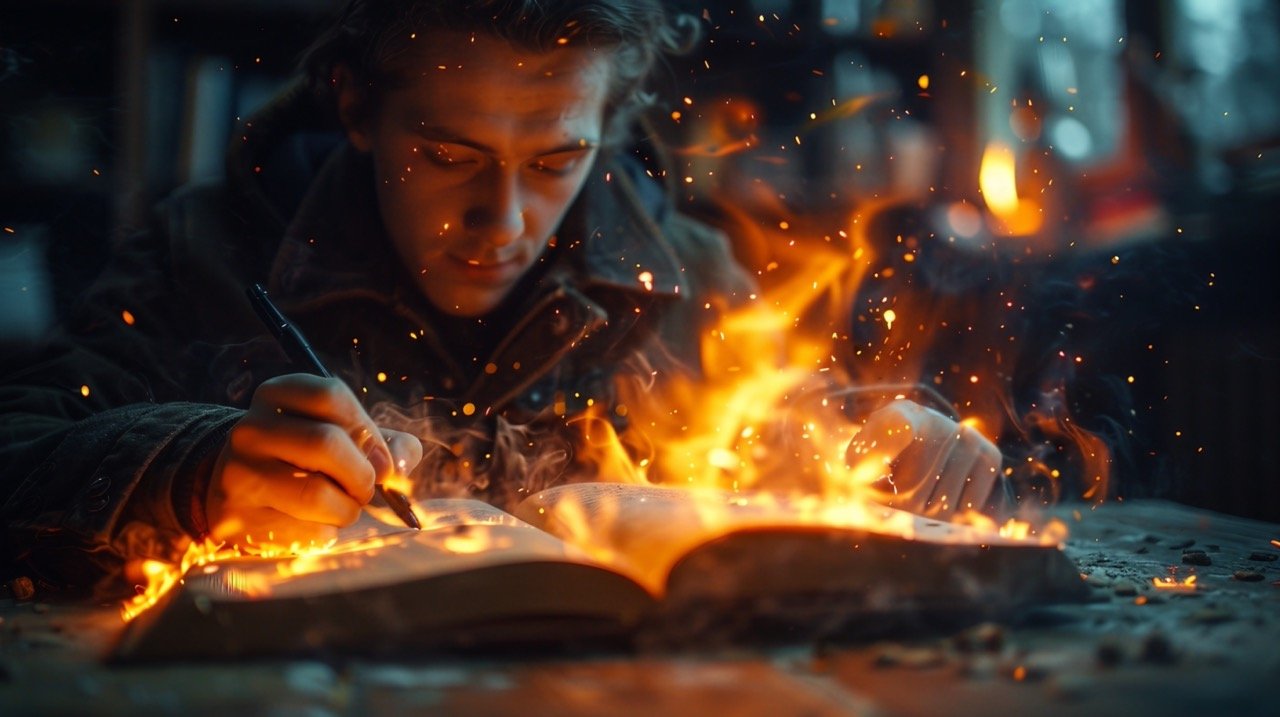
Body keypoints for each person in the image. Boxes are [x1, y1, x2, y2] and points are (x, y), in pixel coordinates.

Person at [0, 0, 999, 598]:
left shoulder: (686, 273)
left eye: (556, 158)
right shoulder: (206, 250)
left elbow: (786, 424)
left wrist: (886, 442)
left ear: (606, 127)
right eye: (446, 155)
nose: (500, 221)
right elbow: (19, 444)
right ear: (355, 106)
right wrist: (189, 465)